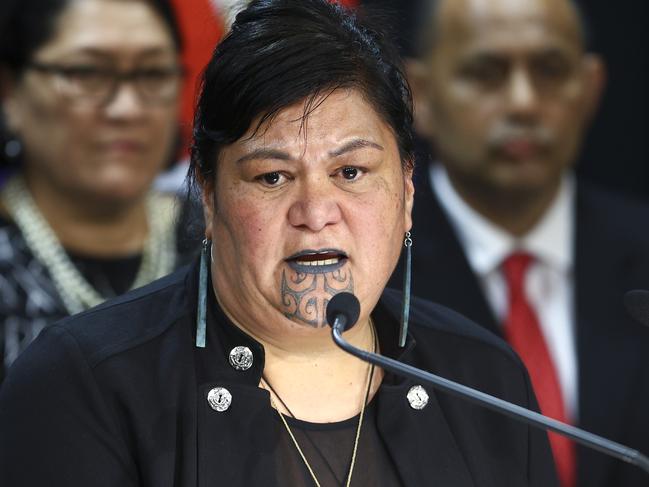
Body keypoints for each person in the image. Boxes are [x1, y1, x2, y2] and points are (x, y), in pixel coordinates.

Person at [0, 0, 559, 485]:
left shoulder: (485, 378)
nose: (316, 214)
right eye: (272, 177)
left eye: (352, 172)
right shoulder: (82, 384)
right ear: (211, 199)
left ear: (407, 191)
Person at [390, 0, 649, 486]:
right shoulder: (373, 275)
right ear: (418, 96)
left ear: (591, 88)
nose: (524, 103)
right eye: (486, 73)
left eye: (550, 70)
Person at [0, 0, 194, 381]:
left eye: (153, 73)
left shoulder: (225, 239)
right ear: (11, 93)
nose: (126, 108)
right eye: (87, 73)